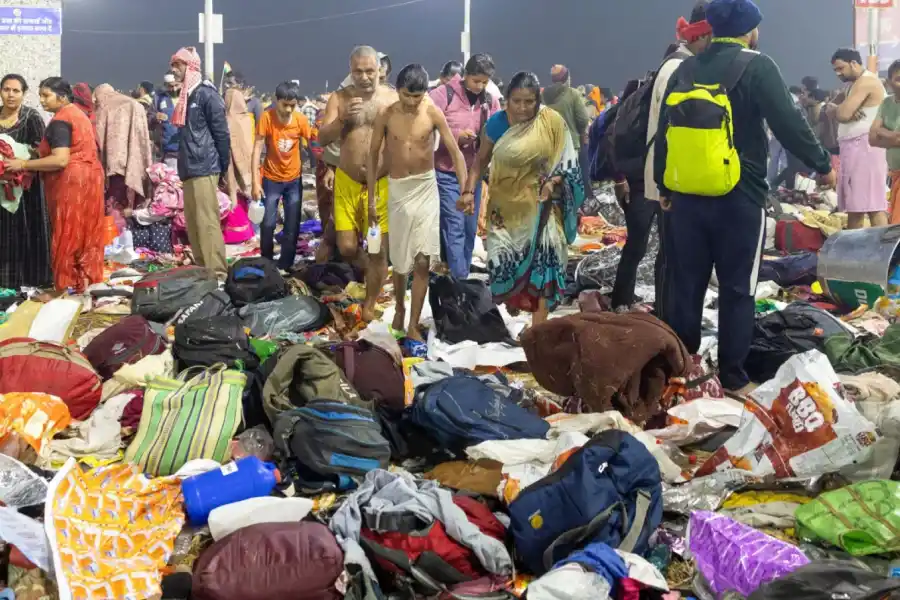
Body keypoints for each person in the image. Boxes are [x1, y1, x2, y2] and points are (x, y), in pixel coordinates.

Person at [654, 0, 834, 397]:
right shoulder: (757, 65)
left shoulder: (686, 66)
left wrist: (663, 186)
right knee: (738, 288)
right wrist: (822, 163)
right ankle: (733, 378)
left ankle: (682, 370)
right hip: (740, 196)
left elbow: (667, 130)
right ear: (750, 29)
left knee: (687, 284)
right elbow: (790, 124)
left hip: (685, 197)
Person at [613, 3, 712, 314]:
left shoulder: (673, 65)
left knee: (655, 249)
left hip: (656, 174)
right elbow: (667, 130)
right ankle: (661, 313)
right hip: (659, 175)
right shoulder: (679, 69)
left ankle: (646, 307)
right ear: (704, 34)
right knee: (659, 250)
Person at [464, 72, 585, 326]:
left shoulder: (551, 123)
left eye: (529, 101)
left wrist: (553, 184)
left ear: (538, 100)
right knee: (504, 268)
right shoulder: (496, 125)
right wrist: (467, 192)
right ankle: (518, 307)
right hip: (504, 214)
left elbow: (567, 165)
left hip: (542, 210)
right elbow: (479, 162)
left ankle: (538, 333)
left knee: (543, 267)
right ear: (506, 100)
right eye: (516, 101)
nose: (522, 108)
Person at [368, 64, 467, 340]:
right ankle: (399, 307)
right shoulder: (386, 115)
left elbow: (456, 153)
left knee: (423, 260)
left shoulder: (432, 112)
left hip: (425, 188)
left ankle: (413, 323)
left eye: (418, 97)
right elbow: (373, 154)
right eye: (407, 96)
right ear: (398, 91)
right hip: (398, 189)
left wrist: (465, 190)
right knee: (400, 261)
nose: (412, 102)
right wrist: (372, 201)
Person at [319, 46, 399, 321]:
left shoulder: (391, 98)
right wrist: (342, 120)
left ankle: (370, 302)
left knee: (379, 250)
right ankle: (373, 273)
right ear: (350, 71)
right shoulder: (340, 98)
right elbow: (321, 138)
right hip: (348, 181)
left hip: (381, 183)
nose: (364, 77)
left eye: (369, 71)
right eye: (358, 72)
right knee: (348, 247)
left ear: (380, 70)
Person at [4, 78, 104, 292]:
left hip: (71, 183)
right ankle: (85, 285)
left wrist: (23, 163)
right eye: (40, 95)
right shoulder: (79, 114)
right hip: (90, 178)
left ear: (63, 96)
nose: (42, 100)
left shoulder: (60, 120)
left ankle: (66, 287)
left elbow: (60, 159)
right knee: (85, 233)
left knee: (68, 233)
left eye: (46, 95)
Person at [429, 53, 502, 280]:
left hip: (474, 175)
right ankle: (460, 280)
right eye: (475, 81)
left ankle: (460, 271)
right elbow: (427, 132)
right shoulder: (442, 95)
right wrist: (455, 137)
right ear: (465, 75)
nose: (479, 87)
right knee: (455, 225)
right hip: (446, 172)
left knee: (471, 228)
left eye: (484, 82)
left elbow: (497, 132)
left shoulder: (490, 101)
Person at [170, 46, 230, 278]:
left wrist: (223, 168)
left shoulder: (206, 94)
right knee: (193, 225)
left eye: (178, 65)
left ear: (191, 66)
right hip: (189, 168)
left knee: (207, 223)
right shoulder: (188, 96)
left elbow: (221, 135)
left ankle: (218, 274)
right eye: (173, 66)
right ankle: (202, 272)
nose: (174, 70)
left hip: (204, 166)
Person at [251, 81, 312, 272]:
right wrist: (255, 181)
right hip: (271, 179)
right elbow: (257, 149)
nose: (288, 109)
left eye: (292, 105)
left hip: (293, 180)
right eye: (284, 105)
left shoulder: (300, 120)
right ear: (276, 101)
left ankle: (286, 263)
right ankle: (267, 262)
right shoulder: (267, 118)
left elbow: (313, 144)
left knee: (292, 225)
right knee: (268, 224)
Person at [0, 74, 52, 289]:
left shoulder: (31, 117)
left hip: (25, 188)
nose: (10, 95)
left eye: (16, 91)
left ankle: (28, 280)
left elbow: (41, 150)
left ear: (23, 93)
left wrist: (18, 160)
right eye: (6, 90)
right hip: (1, 186)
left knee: (24, 231)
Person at [827, 47, 888, 229]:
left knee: (873, 206)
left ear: (854, 63)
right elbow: (830, 107)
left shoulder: (867, 82)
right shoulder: (852, 85)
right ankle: (856, 251)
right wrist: (833, 109)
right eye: (835, 70)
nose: (838, 73)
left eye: (841, 68)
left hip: (866, 148)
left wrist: (835, 110)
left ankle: (884, 253)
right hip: (854, 149)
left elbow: (843, 113)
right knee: (855, 207)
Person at [93, 84, 153, 235]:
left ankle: (114, 235)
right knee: (127, 199)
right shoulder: (134, 104)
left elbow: (98, 137)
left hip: (112, 165)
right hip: (133, 159)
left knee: (113, 201)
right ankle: (127, 233)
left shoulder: (104, 106)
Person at [870, 59, 900, 224]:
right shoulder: (886, 103)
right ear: (889, 82)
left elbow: (878, 133)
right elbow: (872, 138)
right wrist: (893, 137)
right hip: (895, 174)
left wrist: (882, 131)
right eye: (898, 79)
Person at [224, 87, 253, 213]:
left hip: (234, 165)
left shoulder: (227, 120)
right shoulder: (246, 118)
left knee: (235, 199)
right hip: (248, 166)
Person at [156, 73, 181, 169]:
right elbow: (149, 118)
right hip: (169, 150)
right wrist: (155, 117)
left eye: (176, 85)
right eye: (171, 86)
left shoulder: (188, 97)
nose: (174, 89)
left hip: (188, 149)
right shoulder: (158, 99)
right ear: (166, 85)